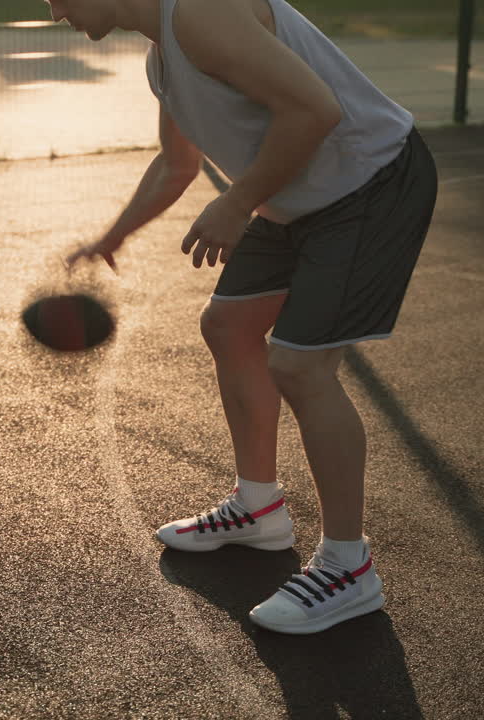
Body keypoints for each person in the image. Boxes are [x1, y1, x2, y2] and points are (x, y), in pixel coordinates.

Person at [54, 0, 437, 634]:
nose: (54, 6)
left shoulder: (201, 12)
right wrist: (113, 236)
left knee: (301, 367)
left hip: (371, 183)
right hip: (299, 198)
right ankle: (259, 509)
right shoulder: (162, 58)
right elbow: (176, 164)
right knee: (227, 326)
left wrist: (235, 204)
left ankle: (348, 567)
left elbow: (316, 111)